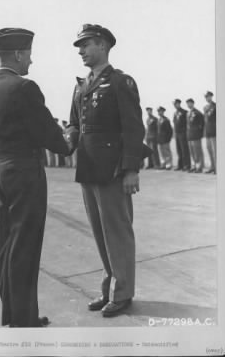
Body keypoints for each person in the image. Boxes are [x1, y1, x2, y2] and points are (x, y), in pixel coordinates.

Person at [0, 27, 70, 327]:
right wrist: (69, 140)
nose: (31, 60)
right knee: (25, 244)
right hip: (24, 171)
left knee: (6, 244)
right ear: (18, 54)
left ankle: (14, 315)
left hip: (0, 170)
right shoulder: (24, 88)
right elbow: (50, 135)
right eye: (28, 54)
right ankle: (24, 320)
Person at [66, 24, 151, 318]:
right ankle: (108, 290)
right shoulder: (81, 85)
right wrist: (66, 141)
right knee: (101, 235)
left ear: (102, 45)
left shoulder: (120, 82)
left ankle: (123, 293)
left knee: (118, 233)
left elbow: (133, 128)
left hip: (113, 171)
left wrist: (132, 170)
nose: (81, 51)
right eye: (79, 46)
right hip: (88, 170)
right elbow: (74, 124)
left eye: (85, 44)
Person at [186, 98, 205, 173]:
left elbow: (202, 125)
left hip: (196, 135)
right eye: (187, 103)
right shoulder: (188, 113)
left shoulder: (198, 113)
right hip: (190, 136)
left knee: (197, 152)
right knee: (192, 152)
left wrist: (200, 134)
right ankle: (194, 166)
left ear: (193, 103)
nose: (188, 104)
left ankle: (199, 167)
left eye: (190, 103)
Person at [173, 99, 190, 171]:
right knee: (179, 150)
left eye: (176, 104)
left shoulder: (185, 112)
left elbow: (187, 123)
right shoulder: (175, 113)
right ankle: (180, 165)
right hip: (177, 133)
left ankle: (186, 165)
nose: (175, 105)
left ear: (179, 104)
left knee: (184, 150)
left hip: (183, 133)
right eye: (174, 104)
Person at [203, 91, 216, 174]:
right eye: (206, 97)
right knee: (209, 150)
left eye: (209, 96)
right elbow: (205, 120)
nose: (208, 98)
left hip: (214, 131)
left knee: (215, 151)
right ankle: (212, 167)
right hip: (207, 132)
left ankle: (217, 168)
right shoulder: (205, 107)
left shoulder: (216, 106)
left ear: (212, 96)